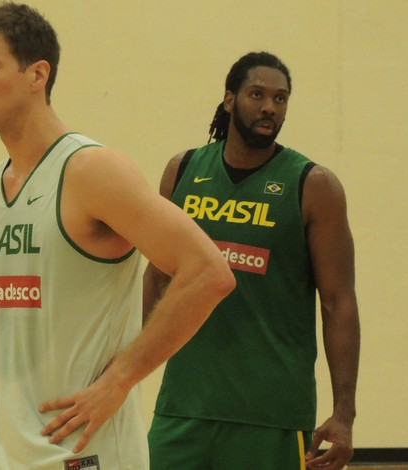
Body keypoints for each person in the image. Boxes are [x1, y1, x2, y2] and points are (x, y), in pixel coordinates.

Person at [0, 3, 235, 469]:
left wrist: (120, 379)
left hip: (87, 453)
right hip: (5, 450)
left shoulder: (91, 170)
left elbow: (209, 272)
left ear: (37, 74)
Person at [143, 51, 360, 470]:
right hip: (183, 406)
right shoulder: (183, 170)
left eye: (280, 99)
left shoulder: (314, 186)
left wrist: (345, 413)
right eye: (257, 95)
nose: (269, 108)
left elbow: (338, 302)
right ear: (229, 100)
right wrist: (126, 372)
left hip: (273, 414)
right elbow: (156, 277)